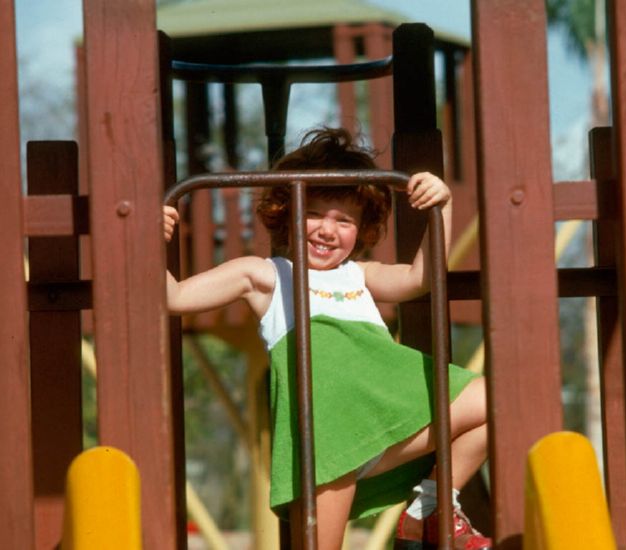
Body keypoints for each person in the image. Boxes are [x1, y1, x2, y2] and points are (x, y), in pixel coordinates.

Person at [163, 128, 491, 550]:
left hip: (384, 419)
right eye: (314, 213)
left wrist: (441, 207)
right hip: (326, 441)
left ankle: (428, 510)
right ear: (285, 212)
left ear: (362, 230)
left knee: (490, 401)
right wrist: (153, 241)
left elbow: (421, 277)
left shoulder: (359, 275)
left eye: (345, 220)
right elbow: (173, 297)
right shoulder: (266, 275)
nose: (327, 230)